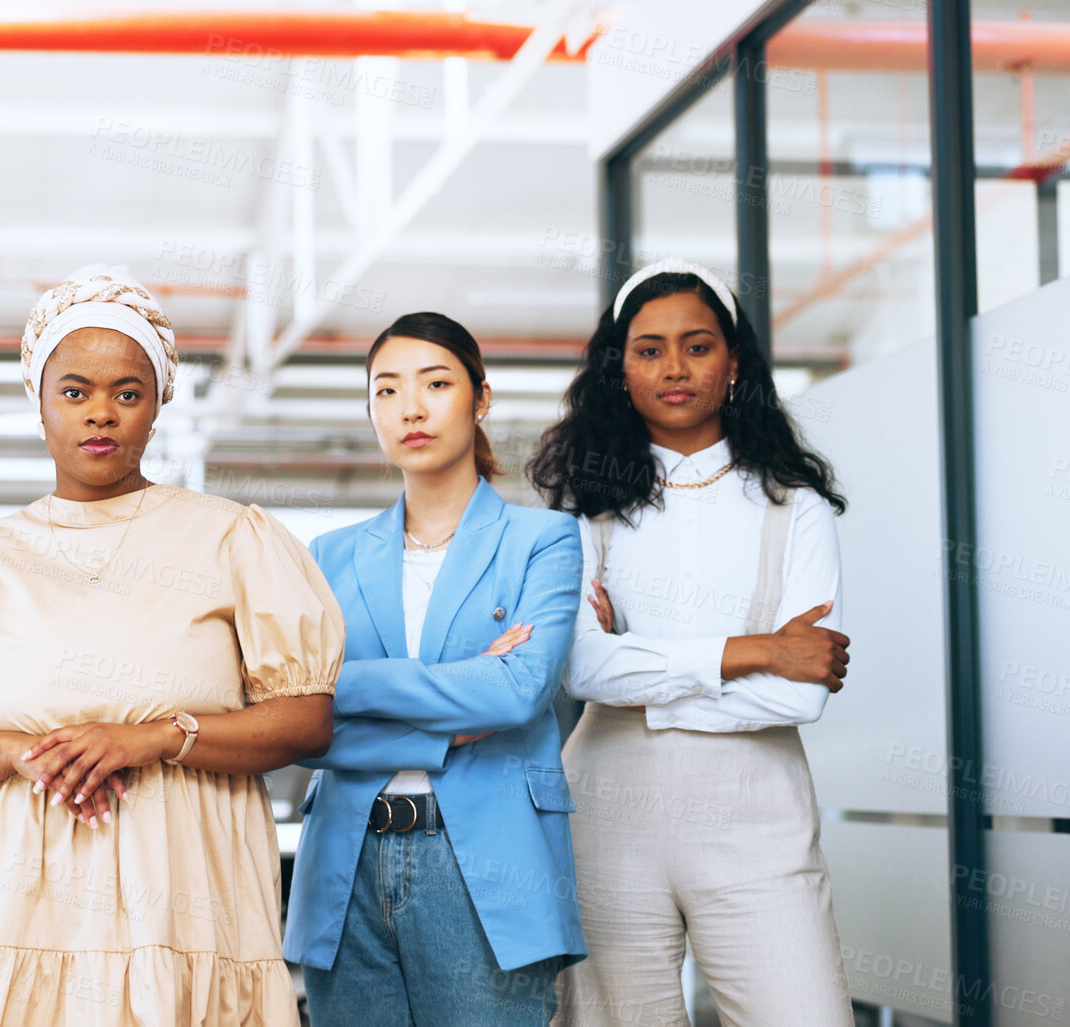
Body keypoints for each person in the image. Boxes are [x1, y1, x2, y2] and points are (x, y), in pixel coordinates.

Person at [0, 264, 344, 1026]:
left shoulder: (231, 539)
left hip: (179, 895)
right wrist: (20, 751)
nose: (101, 414)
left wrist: (152, 737)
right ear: (40, 403)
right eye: (75, 391)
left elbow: (306, 720)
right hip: (2, 905)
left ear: (156, 408)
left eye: (128, 393)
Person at [531, 259, 853, 1026]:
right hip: (606, 812)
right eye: (648, 349)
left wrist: (641, 675)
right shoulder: (585, 508)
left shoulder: (794, 506)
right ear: (619, 370)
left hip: (756, 812)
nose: (673, 367)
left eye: (697, 345)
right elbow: (578, 665)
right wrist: (755, 649)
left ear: (733, 361)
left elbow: (800, 690)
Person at [287, 312, 585, 1025]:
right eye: (385, 390)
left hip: (485, 863)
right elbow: (303, 725)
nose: (409, 408)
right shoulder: (328, 556)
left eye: (435, 383)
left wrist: (348, 686)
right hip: (346, 858)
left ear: (480, 398)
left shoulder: (542, 540)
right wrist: (443, 723)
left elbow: (515, 691)